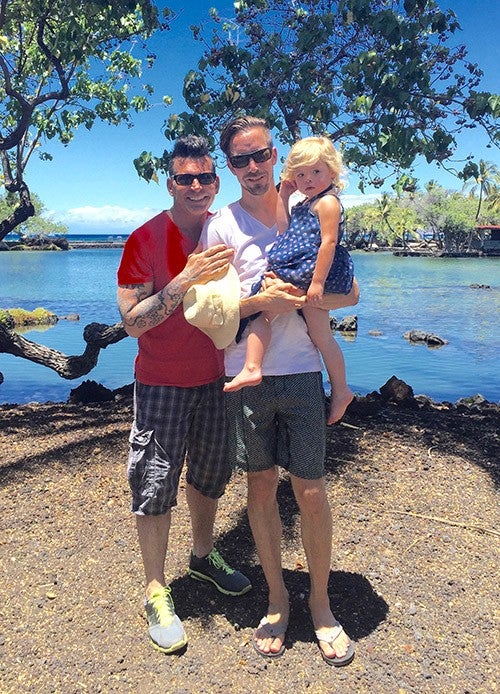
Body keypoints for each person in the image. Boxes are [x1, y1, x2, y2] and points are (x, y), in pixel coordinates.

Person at [202, 116, 358, 666]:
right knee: (261, 486)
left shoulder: (308, 207)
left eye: (260, 154)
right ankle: (276, 599)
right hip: (247, 373)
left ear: (274, 157)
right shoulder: (221, 226)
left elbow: (350, 293)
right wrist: (260, 301)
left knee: (311, 491)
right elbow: (210, 311)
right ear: (230, 166)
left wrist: (301, 297)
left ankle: (320, 604)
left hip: (303, 373)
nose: (252, 166)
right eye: (239, 159)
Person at [117, 135, 251, 655]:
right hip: (161, 382)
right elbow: (132, 322)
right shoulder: (145, 239)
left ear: (217, 182)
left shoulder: (227, 228)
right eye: (185, 178)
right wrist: (184, 278)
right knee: (154, 484)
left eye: (205, 177)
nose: (196, 186)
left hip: (218, 379)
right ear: (169, 183)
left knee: (211, 476)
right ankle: (156, 588)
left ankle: (201, 557)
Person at [224, 136, 355, 425]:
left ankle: (253, 366)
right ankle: (341, 390)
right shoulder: (305, 203)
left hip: (308, 271)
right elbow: (283, 230)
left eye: (316, 172)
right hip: (303, 269)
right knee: (320, 335)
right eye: (301, 174)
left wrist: (317, 283)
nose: (308, 180)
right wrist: (283, 195)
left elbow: (329, 243)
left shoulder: (328, 202)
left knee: (264, 312)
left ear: (332, 172)